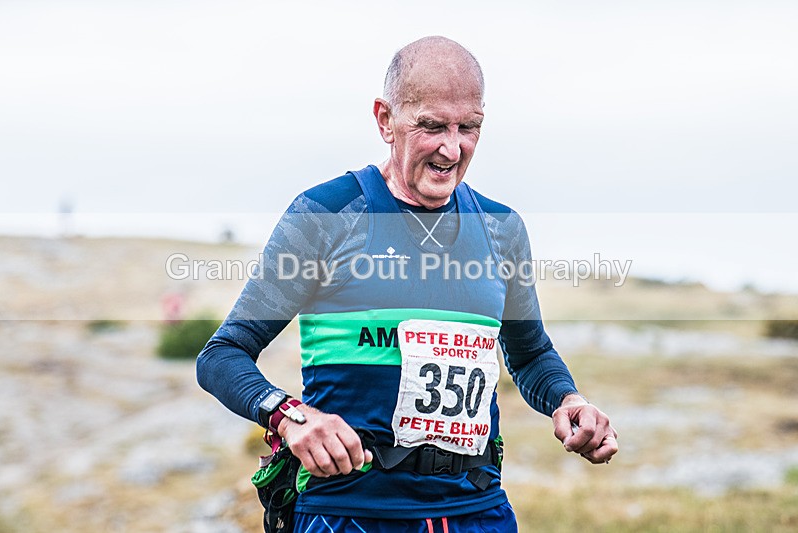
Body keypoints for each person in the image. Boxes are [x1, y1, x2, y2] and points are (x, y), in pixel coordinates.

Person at [197, 36, 618, 532]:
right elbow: (222, 355)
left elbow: (529, 354)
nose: (452, 147)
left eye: (470, 128)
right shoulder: (328, 215)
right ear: (385, 120)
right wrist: (289, 416)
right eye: (432, 126)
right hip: (351, 513)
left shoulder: (502, 229)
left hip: (478, 512)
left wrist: (569, 400)